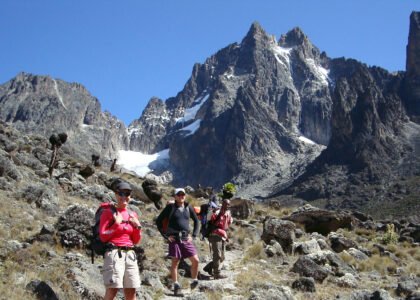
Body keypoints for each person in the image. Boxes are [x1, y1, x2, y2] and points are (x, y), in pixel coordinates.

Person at [99, 181, 142, 300]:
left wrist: (137, 226)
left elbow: (136, 240)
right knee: (112, 289)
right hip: (114, 253)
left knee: (131, 291)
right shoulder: (108, 212)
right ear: (116, 195)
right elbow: (103, 235)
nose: (124, 197)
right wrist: (116, 224)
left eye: (127, 194)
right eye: (121, 193)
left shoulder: (132, 214)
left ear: (130, 196)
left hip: (130, 254)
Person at [156, 188, 200, 296]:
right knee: (175, 262)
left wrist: (193, 235)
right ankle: (176, 285)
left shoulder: (188, 207)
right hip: (174, 239)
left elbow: (197, 221)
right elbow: (158, 221)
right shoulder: (170, 207)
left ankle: (194, 280)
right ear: (175, 196)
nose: (181, 196)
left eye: (183, 194)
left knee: (196, 260)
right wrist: (165, 235)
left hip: (186, 238)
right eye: (179, 194)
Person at [202, 198, 233, 279]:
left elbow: (229, 222)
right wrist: (212, 211)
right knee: (217, 255)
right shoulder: (217, 211)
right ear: (222, 204)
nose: (227, 206)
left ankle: (209, 267)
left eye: (228, 204)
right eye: (225, 204)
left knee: (222, 257)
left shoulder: (228, 213)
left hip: (223, 235)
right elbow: (209, 218)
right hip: (214, 234)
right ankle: (217, 273)